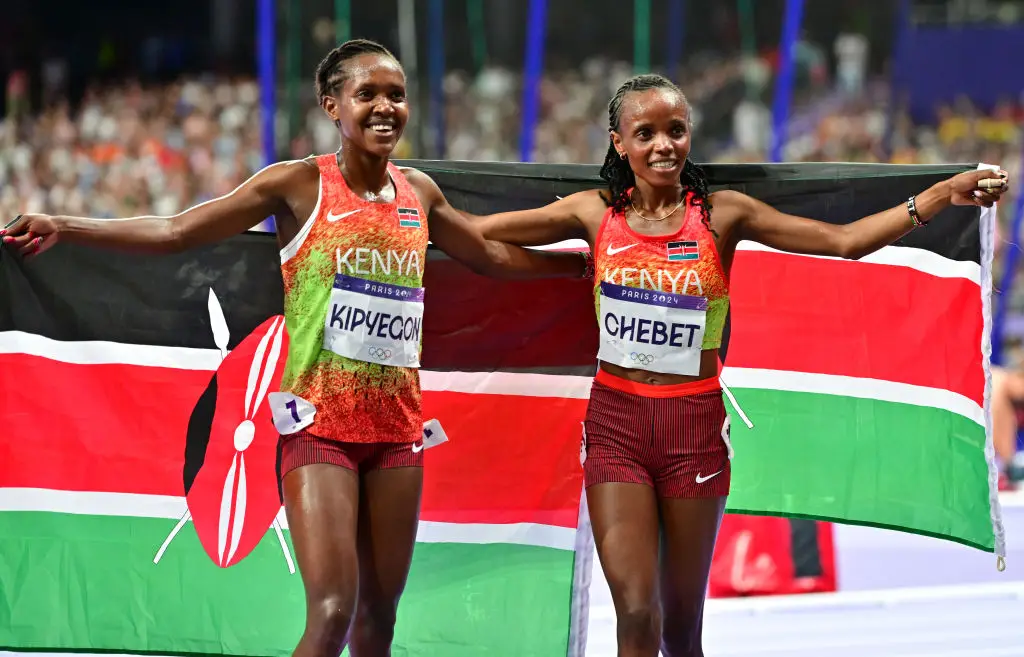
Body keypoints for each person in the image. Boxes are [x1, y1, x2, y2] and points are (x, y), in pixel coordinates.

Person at [1, 39, 588, 657]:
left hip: (398, 434)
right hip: (319, 430)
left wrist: (578, 268)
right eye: (367, 94)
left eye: (396, 94)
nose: (385, 107)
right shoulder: (298, 185)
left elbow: (489, 255)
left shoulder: (419, 192)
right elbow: (177, 231)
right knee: (333, 611)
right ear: (332, 105)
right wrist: (66, 226)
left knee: (378, 622)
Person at [471, 73, 1010, 657]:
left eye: (676, 130)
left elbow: (843, 241)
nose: (664, 145)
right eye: (645, 133)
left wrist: (938, 195)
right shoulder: (593, 213)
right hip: (616, 427)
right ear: (618, 143)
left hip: (694, 431)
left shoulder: (721, 214)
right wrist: (419, 204)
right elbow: (476, 236)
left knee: (681, 630)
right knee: (636, 612)